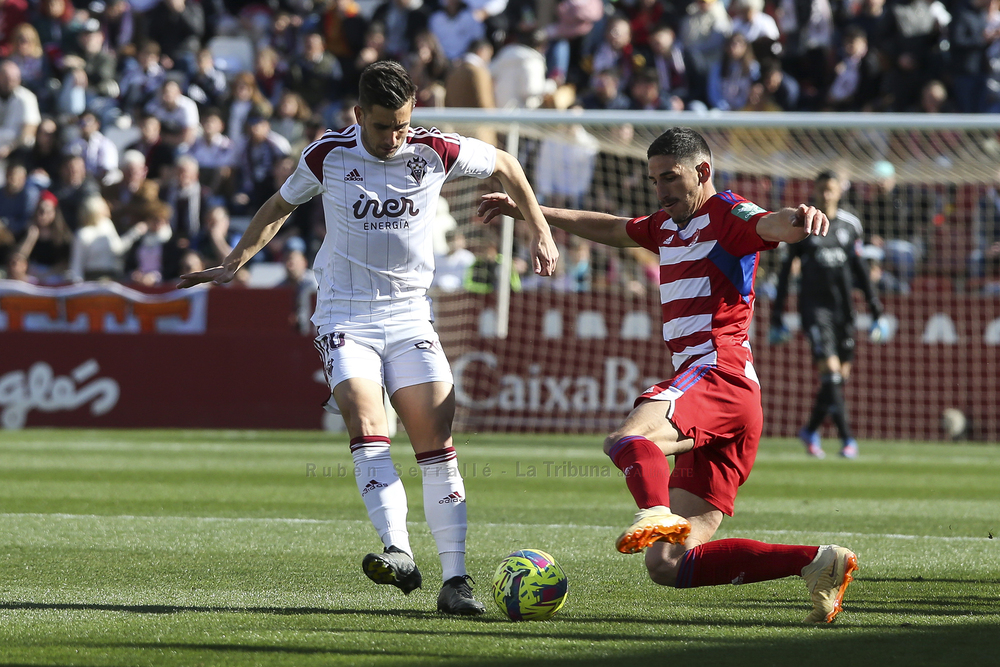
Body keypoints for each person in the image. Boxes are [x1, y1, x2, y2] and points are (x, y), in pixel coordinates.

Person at [179, 60, 558, 615]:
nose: (395, 137)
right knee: (366, 418)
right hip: (344, 315)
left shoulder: (436, 150)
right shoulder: (327, 154)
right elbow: (279, 206)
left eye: (403, 125)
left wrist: (540, 229)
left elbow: (505, 162)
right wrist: (234, 262)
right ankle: (398, 550)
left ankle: (456, 581)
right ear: (360, 115)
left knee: (436, 441)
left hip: (410, 316)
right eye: (383, 127)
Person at [478, 127, 857, 624]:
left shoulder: (725, 212)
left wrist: (800, 219)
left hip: (719, 373)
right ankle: (818, 563)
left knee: (628, 439)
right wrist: (529, 210)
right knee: (667, 564)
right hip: (731, 403)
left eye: (670, 178)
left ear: (702, 172)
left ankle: (653, 511)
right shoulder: (664, 226)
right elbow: (613, 228)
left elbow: (771, 223)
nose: (661, 190)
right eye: (655, 179)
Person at [769, 171, 888, 460]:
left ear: (839, 192)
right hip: (814, 310)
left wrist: (876, 312)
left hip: (844, 310)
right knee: (831, 373)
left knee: (837, 378)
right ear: (815, 190)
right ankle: (848, 440)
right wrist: (777, 317)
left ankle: (810, 429)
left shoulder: (850, 225)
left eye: (831, 189)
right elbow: (785, 274)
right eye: (821, 188)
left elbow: (860, 269)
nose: (826, 194)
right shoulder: (803, 225)